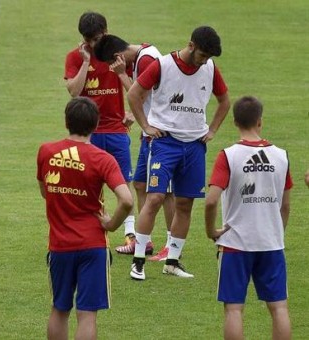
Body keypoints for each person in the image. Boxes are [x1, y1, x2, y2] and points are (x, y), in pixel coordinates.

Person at [127, 26, 230, 280]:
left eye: (208, 57)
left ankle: (172, 261)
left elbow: (225, 100)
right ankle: (138, 262)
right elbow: (134, 94)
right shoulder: (163, 65)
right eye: (202, 55)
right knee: (155, 198)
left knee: (185, 203)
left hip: (195, 145)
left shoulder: (210, 68)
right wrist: (146, 126)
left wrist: (213, 130)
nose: (204, 61)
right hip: (165, 143)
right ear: (191, 45)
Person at [37, 97, 133, 340]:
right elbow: (127, 200)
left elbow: (45, 191)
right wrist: (111, 225)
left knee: (59, 309)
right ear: (96, 124)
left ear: (66, 121)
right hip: (92, 244)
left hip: (59, 244)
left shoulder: (46, 152)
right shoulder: (102, 159)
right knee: (87, 314)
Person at [205, 96, 292, 340]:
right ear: (260, 121)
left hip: (235, 244)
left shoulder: (228, 156)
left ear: (234, 122)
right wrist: (276, 231)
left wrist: (211, 230)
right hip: (271, 242)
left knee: (234, 309)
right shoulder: (281, 156)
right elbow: (285, 206)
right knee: (279, 307)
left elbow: (211, 200)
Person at [64, 11, 142, 255]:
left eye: (97, 39)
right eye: (89, 41)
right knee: (88, 184)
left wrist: (133, 112)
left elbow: (140, 87)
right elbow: (74, 91)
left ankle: (131, 237)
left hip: (117, 130)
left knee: (123, 183)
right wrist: (86, 62)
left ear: (106, 33)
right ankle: (89, 232)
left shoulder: (120, 55)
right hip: (88, 133)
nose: (94, 45)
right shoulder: (75, 57)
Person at [93, 34, 175, 261]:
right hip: (148, 131)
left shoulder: (147, 60)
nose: (112, 68)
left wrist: (120, 74)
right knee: (139, 184)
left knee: (166, 192)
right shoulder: (140, 56)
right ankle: (143, 241)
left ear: (117, 57)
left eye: (111, 63)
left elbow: (138, 94)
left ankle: (171, 245)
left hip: (159, 132)